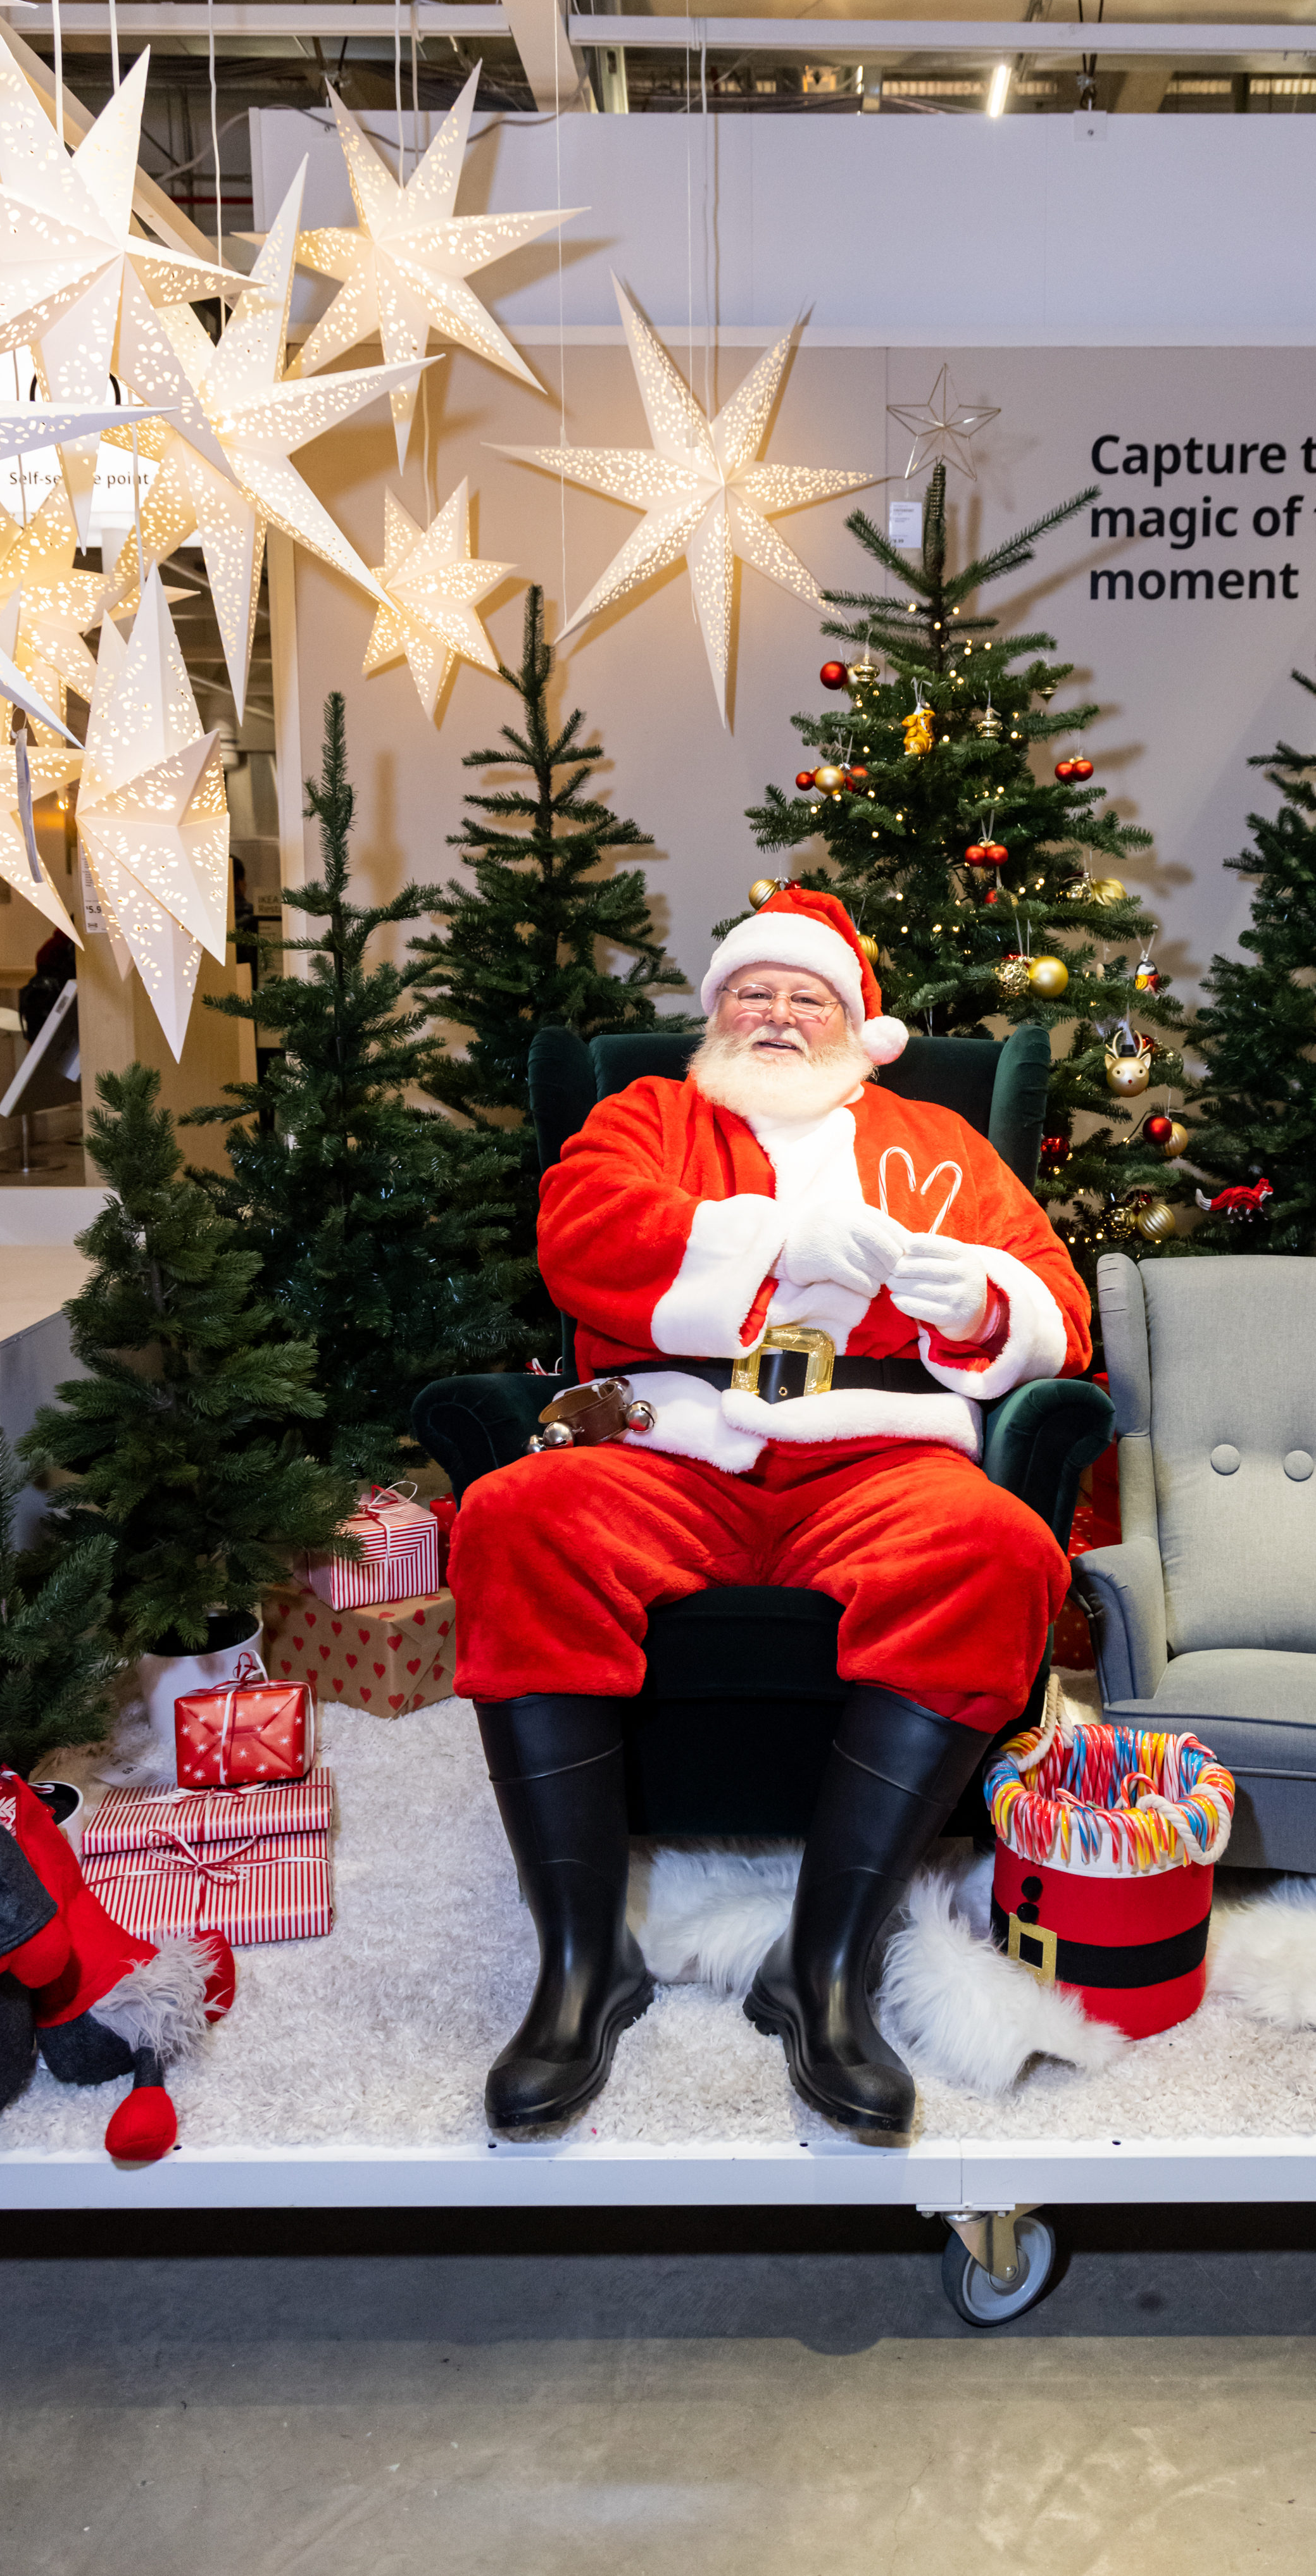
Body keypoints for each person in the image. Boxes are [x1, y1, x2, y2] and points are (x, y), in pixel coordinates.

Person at [451, 887, 1091, 2139]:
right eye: (755, 992)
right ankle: (585, 1965)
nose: (780, 1014)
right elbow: (583, 1235)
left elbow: (1056, 1305)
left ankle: (825, 1966)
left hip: (873, 1450)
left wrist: (977, 1300)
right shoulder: (649, 1115)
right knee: (517, 1519)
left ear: (859, 1026)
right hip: (667, 1436)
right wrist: (787, 1242)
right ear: (714, 1015)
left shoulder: (935, 1148)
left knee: (997, 1548)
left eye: (810, 996)